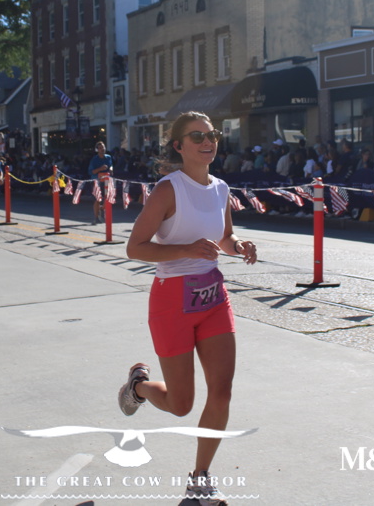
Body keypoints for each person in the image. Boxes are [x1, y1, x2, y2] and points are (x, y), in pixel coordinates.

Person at [121, 111, 258, 505]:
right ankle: (139, 386)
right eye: (197, 136)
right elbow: (135, 248)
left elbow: (224, 237)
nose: (207, 141)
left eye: (212, 134)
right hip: (171, 300)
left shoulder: (221, 188)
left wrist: (238, 246)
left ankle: (200, 481)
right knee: (181, 405)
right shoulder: (168, 190)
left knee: (222, 392)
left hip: (213, 296)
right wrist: (186, 249)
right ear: (179, 146)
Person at [89, 141, 114, 224]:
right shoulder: (94, 159)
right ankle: (96, 217)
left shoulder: (108, 157)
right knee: (98, 199)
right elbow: (91, 171)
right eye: (100, 148)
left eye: (103, 147)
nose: (102, 149)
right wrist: (100, 168)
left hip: (107, 181)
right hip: (97, 181)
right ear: (97, 150)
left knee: (107, 198)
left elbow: (111, 165)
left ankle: (101, 209)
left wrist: (111, 169)